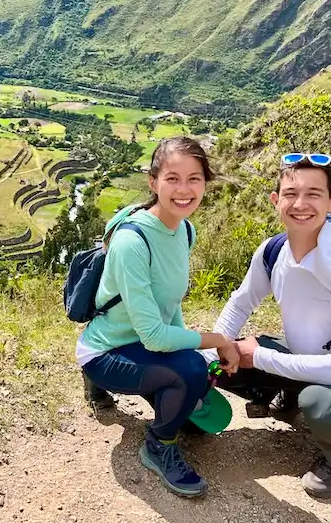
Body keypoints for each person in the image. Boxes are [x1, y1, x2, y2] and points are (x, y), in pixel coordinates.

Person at [212, 153, 331, 498]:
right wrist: (222, 343)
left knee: (321, 404)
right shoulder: (273, 252)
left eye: (314, 194)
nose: (301, 204)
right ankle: (287, 399)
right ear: (276, 200)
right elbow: (242, 300)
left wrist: (259, 357)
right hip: (302, 357)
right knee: (218, 365)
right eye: (291, 193)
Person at [78, 137, 240, 498]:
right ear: (153, 182)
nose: (184, 190)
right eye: (173, 178)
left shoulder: (184, 229)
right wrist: (218, 343)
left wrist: (193, 357)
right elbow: (153, 336)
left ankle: (168, 390)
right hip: (108, 350)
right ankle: (158, 445)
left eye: (194, 179)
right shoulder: (133, 242)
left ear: (205, 183)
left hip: (143, 345)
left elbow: (169, 305)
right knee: (191, 374)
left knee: (193, 381)